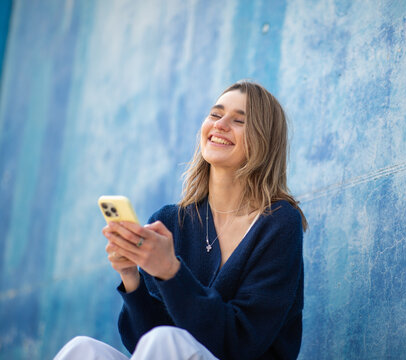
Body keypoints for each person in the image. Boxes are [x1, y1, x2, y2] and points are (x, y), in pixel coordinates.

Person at [54, 81, 307, 360]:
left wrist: (171, 272)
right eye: (215, 114)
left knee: (167, 340)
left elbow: (240, 343)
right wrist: (131, 278)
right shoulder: (169, 222)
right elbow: (143, 344)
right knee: (82, 350)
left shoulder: (279, 222)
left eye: (239, 120)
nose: (220, 124)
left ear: (263, 140)